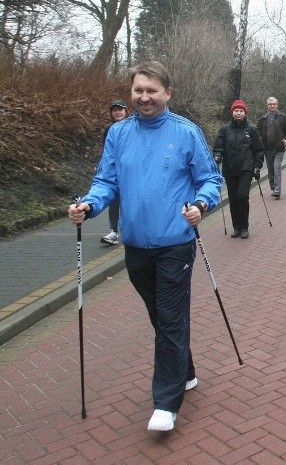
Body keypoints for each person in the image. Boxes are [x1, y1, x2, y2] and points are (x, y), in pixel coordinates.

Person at [67, 61, 221, 433]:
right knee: (162, 317)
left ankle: (166, 404)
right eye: (139, 90)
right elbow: (106, 181)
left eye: (152, 90)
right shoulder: (118, 134)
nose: (144, 97)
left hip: (175, 244)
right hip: (135, 246)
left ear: (168, 93)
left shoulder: (186, 133)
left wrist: (200, 205)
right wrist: (88, 205)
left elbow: (211, 181)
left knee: (168, 318)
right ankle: (184, 370)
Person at [213, 100, 264, 239]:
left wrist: (257, 166)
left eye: (241, 111)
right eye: (236, 110)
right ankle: (236, 227)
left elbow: (258, 150)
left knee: (242, 196)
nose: (239, 113)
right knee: (233, 199)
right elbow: (218, 147)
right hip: (230, 170)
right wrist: (217, 157)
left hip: (246, 169)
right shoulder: (224, 130)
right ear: (232, 112)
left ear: (245, 113)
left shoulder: (251, 130)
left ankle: (244, 227)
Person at [100, 99, 129, 245]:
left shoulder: (133, 127)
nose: (117, 112)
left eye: (120, 109)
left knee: (129, 201)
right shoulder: (109, 129)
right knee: (114, 201)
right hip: (115, 172)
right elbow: (106, 151)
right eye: (114, 110)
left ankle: (130, 230)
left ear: (126, 111)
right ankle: (113, 232)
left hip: (131, 172)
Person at [256, 97, 286, 198]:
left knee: (276, 168)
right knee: (270, 169)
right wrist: (259, 141)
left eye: (274, 104)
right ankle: (273, 186)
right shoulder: (263, 119)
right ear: (267, 106)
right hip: (267, 149)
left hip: (279, 148)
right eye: (270, 104)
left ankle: (277, 190)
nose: (272, 106)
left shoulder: (283, 117)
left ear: (277, 105)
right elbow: (257, 131)